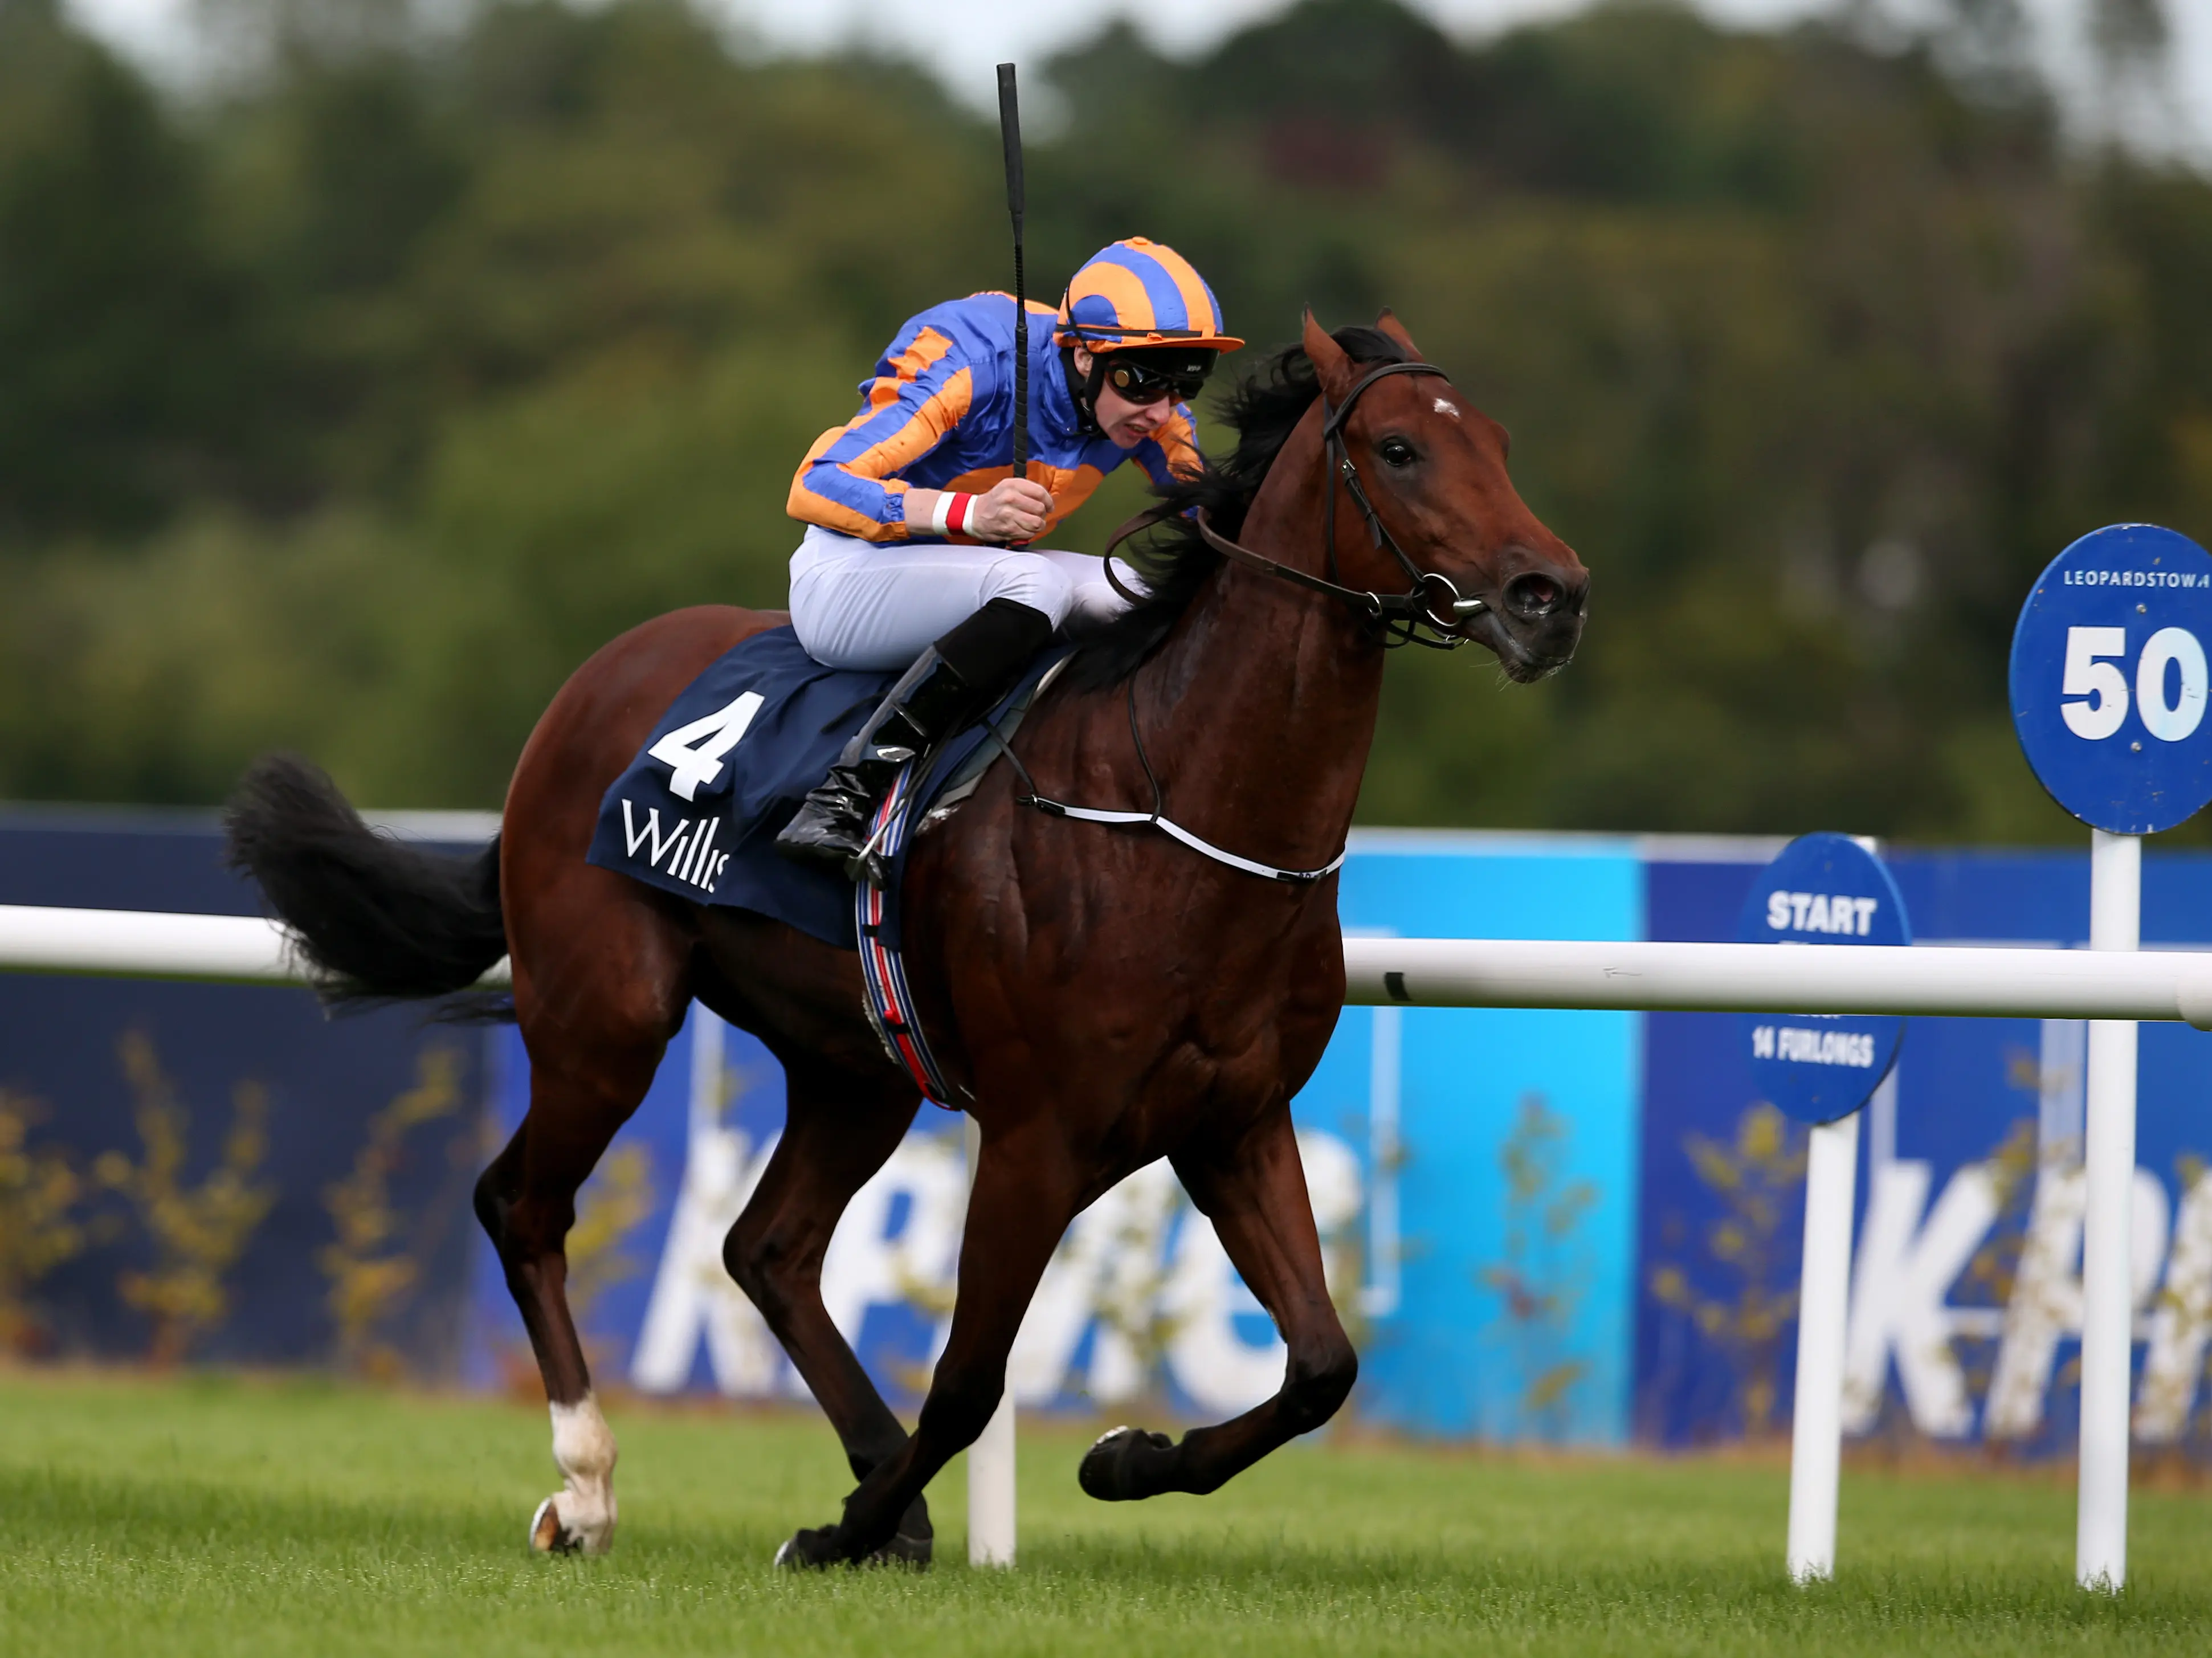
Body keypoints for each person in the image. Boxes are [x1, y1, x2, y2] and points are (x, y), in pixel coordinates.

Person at [774, 237, 1242, 875]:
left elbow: (1218, 524)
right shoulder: (974, 360)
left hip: (976, 583)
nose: (1159, 410)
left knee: (1136, 596)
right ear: (1084, 355)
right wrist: (969, 514)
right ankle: (845, 797)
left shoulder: (1150, 416)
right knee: (1034, 583)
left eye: (1185, 383)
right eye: (1142, 381)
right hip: (848, 577)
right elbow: (816, 484)